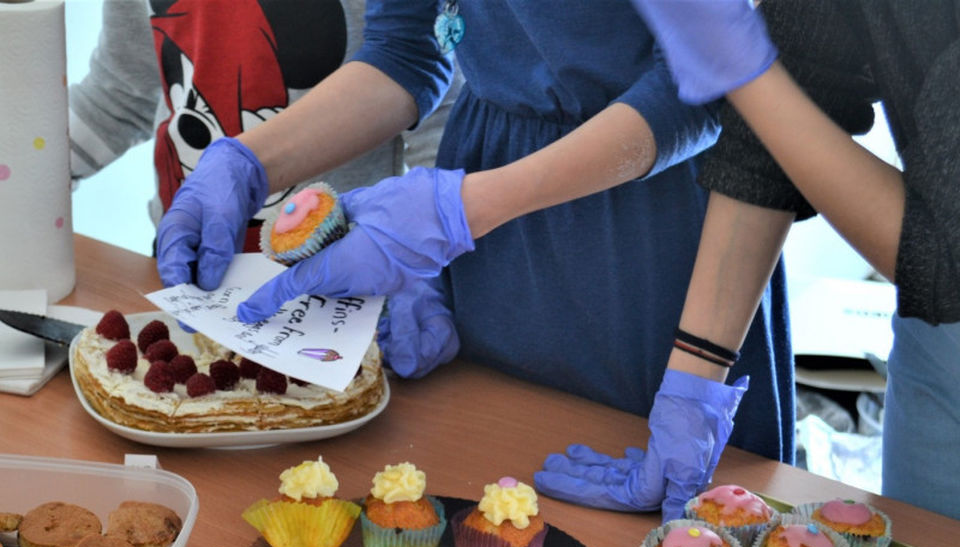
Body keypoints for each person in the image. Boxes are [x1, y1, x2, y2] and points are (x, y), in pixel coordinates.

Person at [155, 0, 796, 520]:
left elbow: (706, 87)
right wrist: (253, 159)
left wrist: (463, 208)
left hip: (652, 222)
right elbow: (407, 47)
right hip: (492, 221)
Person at [542, 0, 960, 520]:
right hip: (935, 348)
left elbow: (948, 259)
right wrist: (692, 393)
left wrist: (746, 74)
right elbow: (794, 94)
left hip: (942, 292)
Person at [69, 0, 460, 259]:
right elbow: (118, 95)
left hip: (342, 291)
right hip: (185, 263)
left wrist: (431, 264)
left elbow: (439, 126)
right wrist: (19, 170)